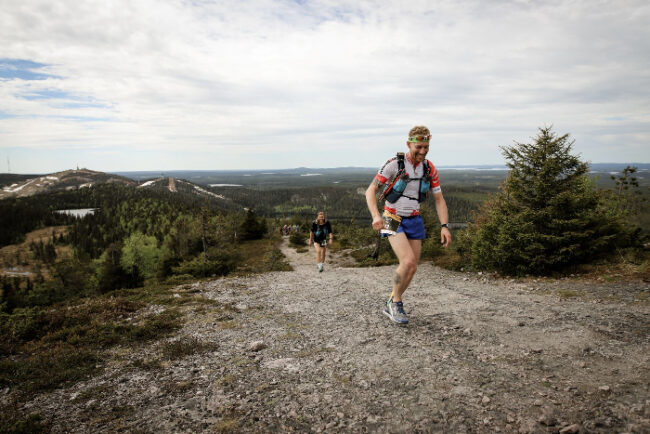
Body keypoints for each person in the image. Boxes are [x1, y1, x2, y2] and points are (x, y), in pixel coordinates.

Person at [365, 126, 452, 324]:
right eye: (419, 147)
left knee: (412, 268)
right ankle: (396, 302)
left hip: (414, 218)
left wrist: (444, 225)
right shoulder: (393, 164)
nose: (423, 151)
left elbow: (439, 199)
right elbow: (370, 191)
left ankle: (391, 300)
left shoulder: (429, 168)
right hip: (390, 216)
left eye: (426, 148)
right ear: (408, 144)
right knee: (408, 262)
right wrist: (375, 216)